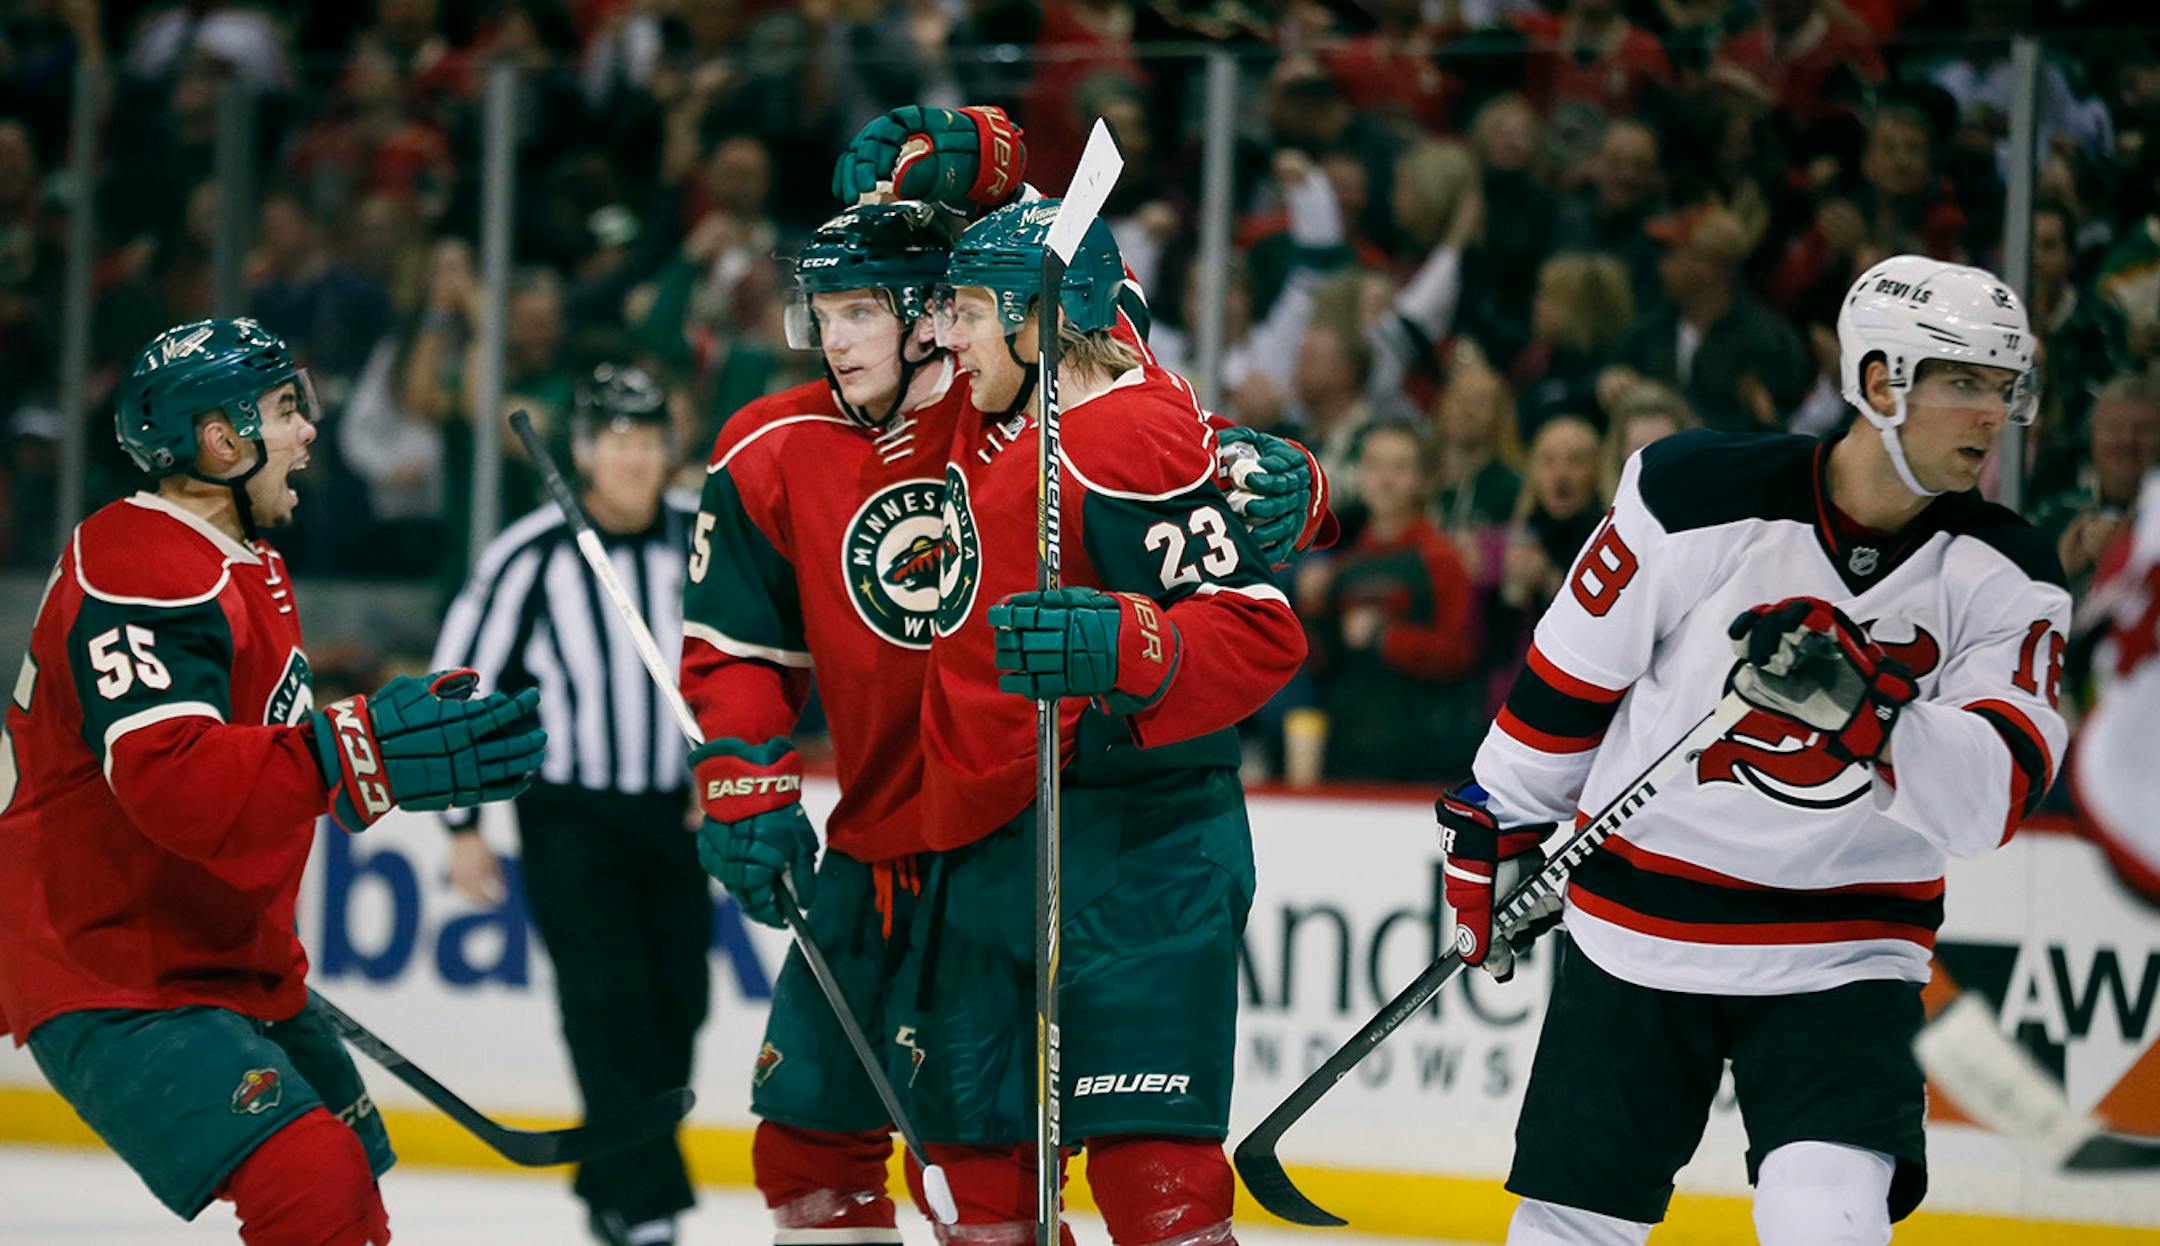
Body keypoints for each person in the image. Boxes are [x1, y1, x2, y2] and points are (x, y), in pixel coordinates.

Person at [1439, 256, 2069, 1245]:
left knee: (1828, 1222)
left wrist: (1868, 715)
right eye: (1963, 381)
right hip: (1640, 925)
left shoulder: (2007, 572)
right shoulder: (1695, 492)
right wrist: (1501, 822)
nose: (1992, 414)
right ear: (1878, 385)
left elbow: (1990, 799)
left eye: (2004, 385)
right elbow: (1570, 675)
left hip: (1846, 949)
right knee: (1573, 1228)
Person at [0, 317, 545, 1245]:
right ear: (221, 439)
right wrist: (348, 750)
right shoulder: (140, 561)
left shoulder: (249, 563)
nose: (308, 430)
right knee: (313, 1180)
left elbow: (259, 772)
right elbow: (173, 785)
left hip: (214, 953)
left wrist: (351, 755)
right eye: (287, 409)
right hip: (108, 964)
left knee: (348, 1188)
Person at [893, 199, 1310, 1246]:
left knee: (1151, 1176)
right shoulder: (1024, 422)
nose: (949, 333)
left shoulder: (1117, 434)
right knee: (974, 1185)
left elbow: (1258, 631)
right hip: (990, 840)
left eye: (974, 310)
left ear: (1043, 319)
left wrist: (1135, 647)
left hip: (1135, 844)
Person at [432, 362, 707, 1246]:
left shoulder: (700, 537)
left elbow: (749, 657)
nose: (633, 457)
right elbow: (460, 684)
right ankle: (647, 1206)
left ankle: (610, 1184)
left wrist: (733, 770)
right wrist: (463, 823)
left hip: (673, 813)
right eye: (616, 440)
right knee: (604, 1002)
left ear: (670, 448)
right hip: (570, 818)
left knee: (679, 1005)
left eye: (647, 438)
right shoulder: (530, 552)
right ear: (584, 450)